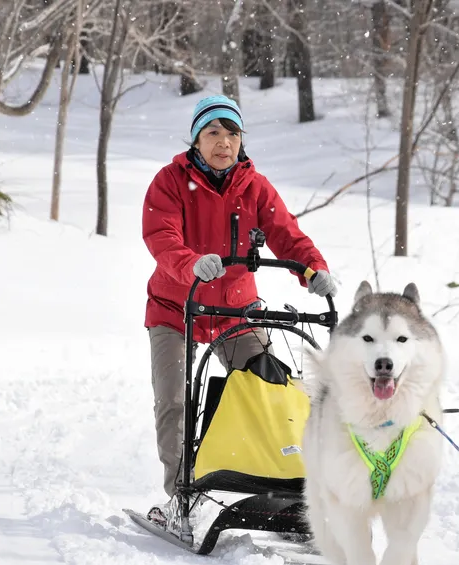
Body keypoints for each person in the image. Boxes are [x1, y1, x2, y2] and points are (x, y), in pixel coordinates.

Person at [141, 95, 338, 528]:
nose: (224, 142)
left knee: (269, 388)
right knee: (174, 400)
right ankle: (181, 497)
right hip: (176, 307)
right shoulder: (169, 181)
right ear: (196, 139)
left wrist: (314, 270)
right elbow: (161, 236)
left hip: (235, 311)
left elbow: (287, 235)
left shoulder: (255, 187)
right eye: (213, 132)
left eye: (232, 133)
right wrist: (191, 263)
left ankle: (281, 487)